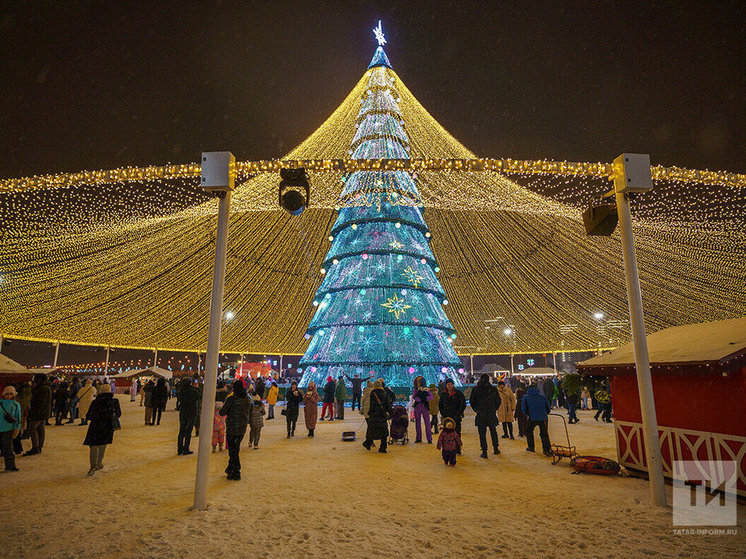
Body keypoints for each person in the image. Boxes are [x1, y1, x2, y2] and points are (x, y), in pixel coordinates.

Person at [83, 383, 121, 476]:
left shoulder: (95, 402)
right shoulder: (114, 402)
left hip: (95, 426)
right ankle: (99, 463)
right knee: (103, 444)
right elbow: (119, 414)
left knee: (94, 445)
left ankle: (93, 465)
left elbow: (89, 416)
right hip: (108, 426)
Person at [219, 379, 251, 480]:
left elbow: (222, 412)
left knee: (233, 450)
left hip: (232, 427)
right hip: (242, 427)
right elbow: (251, 410)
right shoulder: (248, 398)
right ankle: (230, 469)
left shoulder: (231, 399)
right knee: (235, 449)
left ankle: (236, 471)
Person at [470, 373, 501, 458]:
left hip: (481, 414)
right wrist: (494, 408)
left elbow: (472, 401)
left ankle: (484, 451)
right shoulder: (493, 389)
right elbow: (498, 400)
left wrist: (477, 409)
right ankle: (495, 448)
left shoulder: (476, 389)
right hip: (491, 413)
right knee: (493, 431)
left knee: (482, 434)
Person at [25, 373, 52, 455]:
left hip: (39, 412)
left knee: (32, 428)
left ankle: (35, 447)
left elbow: (41, 403)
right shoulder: (45, 387)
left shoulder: (43, 388)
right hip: (43, 412)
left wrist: (35, 413)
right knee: (40, 429)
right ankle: (39, 446)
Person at [521, 384, 552, 457]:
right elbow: (548, 408)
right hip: (543, 417)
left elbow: (524, 409)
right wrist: (544, 414)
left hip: (532, 418)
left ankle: (531, 447)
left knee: (529, 432)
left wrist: (529, 414)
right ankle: (546, 450)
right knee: (544, 434)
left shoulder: (525, 397)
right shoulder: (542, 396)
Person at [362, 379, 391, 453]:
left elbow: (372, 404)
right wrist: (389, 412)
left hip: (374, 415)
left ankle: (368, 443)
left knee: (372, 430)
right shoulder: (384, 393)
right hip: (382, 414)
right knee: (383, 431)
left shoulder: (373, 393)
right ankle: (383, 447)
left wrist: (369, 412)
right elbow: (388, 404)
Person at [438, 378, 466, 452]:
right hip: (447, 417)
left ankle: (457, 448)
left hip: (456, 416)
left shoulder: (458, 393)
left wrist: (459, 413)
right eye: (448, 385)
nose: (449, 386)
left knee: (456, 432)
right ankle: (447, 448)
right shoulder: (443, 394)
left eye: (451, 384)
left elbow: (462, 404)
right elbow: (440, 405)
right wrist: (443, 414)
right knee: (447, 433)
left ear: (453, 385)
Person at [177, 378, 200, 455]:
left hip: (183, 412)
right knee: (188, 431)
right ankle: (186, 448)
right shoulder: (192, 390)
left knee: (181, 432)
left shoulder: (181, 391)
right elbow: (199, 395)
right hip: (191, 412)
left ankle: (179, 449)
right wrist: (196, 387)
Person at [1, 386, 21, 472]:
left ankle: (10, 466)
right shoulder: (0, 403)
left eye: (11, 394)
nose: (8, 396)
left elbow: (18, 417)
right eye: (7, 394)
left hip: (8, 429)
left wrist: (17, 428)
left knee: (8, 448)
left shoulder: (16, 405)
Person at [412, 376, 433, 443]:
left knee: (426, 422)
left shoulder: (423, 389)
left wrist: (420, 399)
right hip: (422, 406)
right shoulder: (418, 389)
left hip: (422, 406)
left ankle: (427, 438)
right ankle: (420, 438)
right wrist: (425, 399)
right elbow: (414, 396)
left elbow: (431, 397)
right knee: (421, 422)